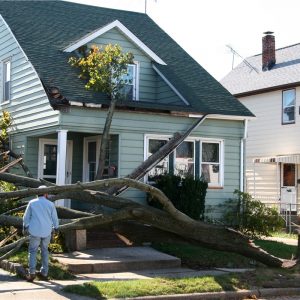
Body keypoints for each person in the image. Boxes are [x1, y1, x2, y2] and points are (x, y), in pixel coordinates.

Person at [23, 185, 59, 282]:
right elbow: (55, 218)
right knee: (44, 251)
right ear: (46, 193)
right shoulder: (50, 204)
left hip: (34, 231)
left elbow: (26, 217)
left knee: (33, 251)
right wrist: (56, 228)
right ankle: (44, 272)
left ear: (37, 193)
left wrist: (25, 227)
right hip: (47, 231)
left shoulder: (32, 203)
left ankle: (32, 273)